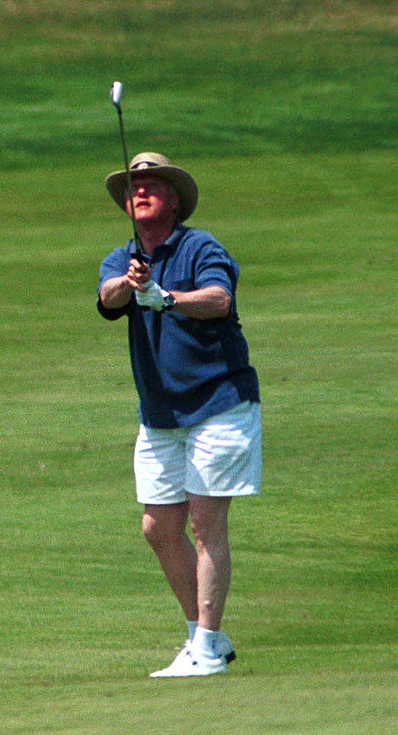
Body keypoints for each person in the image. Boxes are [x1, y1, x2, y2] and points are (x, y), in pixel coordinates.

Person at [96, 152, 261, 677]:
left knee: (204, 520)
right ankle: (203, 635)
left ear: (173, 199)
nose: (139, 191)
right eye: (133, 186)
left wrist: (166, 297)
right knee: (157, 527)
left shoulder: (199, 245)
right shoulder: (122, 258)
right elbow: (106, 298)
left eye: (151, 185)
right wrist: (132, 284)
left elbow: (218, 299)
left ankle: (207, 647)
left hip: (219, 402)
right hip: (161, 415)